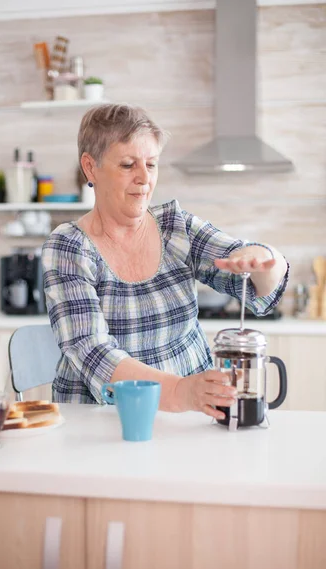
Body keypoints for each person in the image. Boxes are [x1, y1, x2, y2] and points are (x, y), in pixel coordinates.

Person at [42, 103, 288, 418]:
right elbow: (93, 353)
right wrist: (180, 391)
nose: (144, 178)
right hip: (101, 422)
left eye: (152, 164)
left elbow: (257, 285)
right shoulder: (68, 247)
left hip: (188, 418)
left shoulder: (176, 227)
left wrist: (265, 258)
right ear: (91, 168)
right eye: (128, 164)